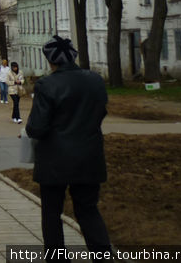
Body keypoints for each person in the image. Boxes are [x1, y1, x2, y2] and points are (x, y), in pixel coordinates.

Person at [25, 35, 111, 254]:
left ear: (50, 60)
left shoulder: (47, 85)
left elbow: (37, 128)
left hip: (55, 159)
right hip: (89, 156)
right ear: (73, 56)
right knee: (88, 210)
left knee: (52, 213)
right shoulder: (96, 80)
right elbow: (101, 113)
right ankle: (102, 256)